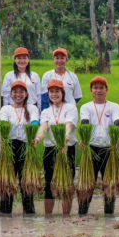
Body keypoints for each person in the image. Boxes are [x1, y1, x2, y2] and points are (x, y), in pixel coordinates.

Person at [77, 77, 119, 215]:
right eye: (95, 88)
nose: (99, 90)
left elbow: (118, 122)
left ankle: (109, 215)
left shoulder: (114, 106)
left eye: (102, 87)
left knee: (109, 184)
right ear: (91, 91)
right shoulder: (86, 107)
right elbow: (85, 122)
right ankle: (82, 214)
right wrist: (84, 139)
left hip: (109, 150)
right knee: (87, 183)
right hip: (91, 149)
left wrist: (115, 139)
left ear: (107, 90)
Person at [35, 79, 78, 215]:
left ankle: (66, 216)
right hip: (50, 149)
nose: (54, 94)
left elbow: (69, 125)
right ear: (48, 94)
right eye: (51, 91)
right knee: (49, 182)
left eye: (57, 91)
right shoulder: (46, 111)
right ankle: (48, 216)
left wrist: (64, 141)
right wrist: (37, 138)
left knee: (67, 182)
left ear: (62, 93)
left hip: (67, 148)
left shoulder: (71, 108)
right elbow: (44, 127)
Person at [0, 80, 40, 215]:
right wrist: (4, 139)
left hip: (26, 146)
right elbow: (3, 124)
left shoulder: (32, 108)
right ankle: (5, 212)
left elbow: (34, 121)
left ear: (26, 93)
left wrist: (33, 132)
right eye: (15, 92)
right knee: (7, 181)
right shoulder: (6, 109)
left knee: (26, 181)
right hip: (9, 146)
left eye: (21, 92)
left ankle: (29, 212)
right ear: (11, 94)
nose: (18, 94)